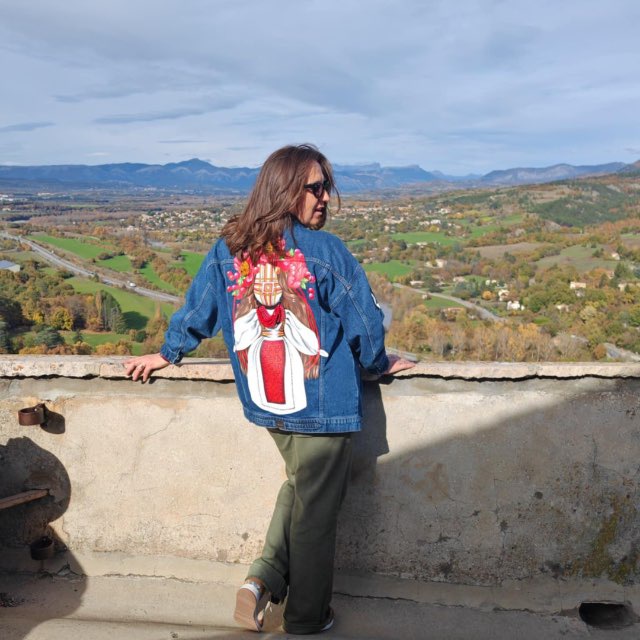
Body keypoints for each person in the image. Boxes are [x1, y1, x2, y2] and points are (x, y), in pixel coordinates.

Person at [124, 144, 414, 634]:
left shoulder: (229, 248)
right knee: (316, 513)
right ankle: (306, 618)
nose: (326, 197)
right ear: (286, 191)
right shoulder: (325, 252)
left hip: (267, 402)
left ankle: (261, 580)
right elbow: (364, 322)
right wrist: (378, 363)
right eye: (316, 188)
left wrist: (168, 353)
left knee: (301, 486)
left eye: (327, 187)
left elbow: (198, 309)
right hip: (322, 406)